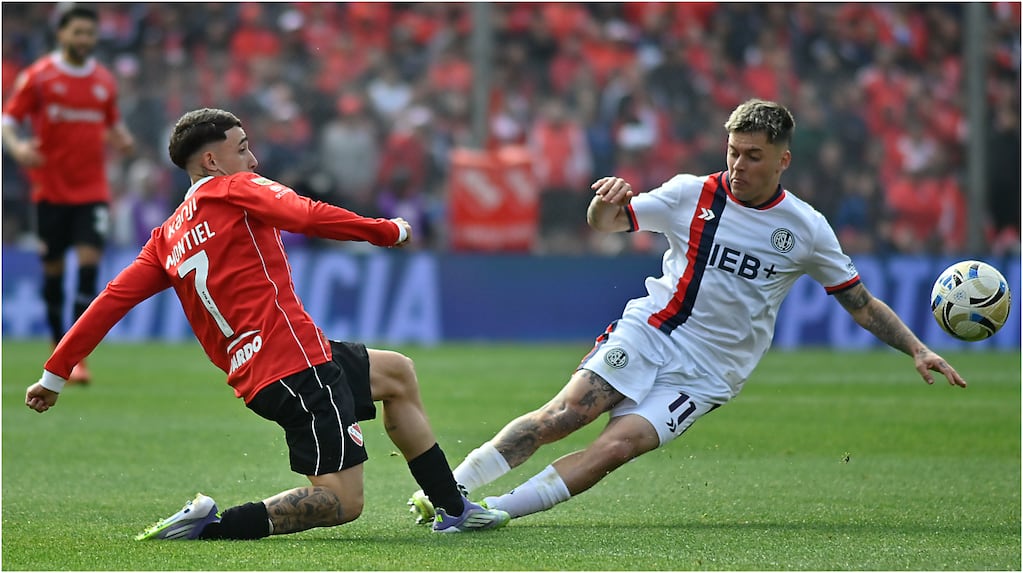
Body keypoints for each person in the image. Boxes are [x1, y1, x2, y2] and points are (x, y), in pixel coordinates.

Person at [407, 98, 966, 523]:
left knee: (616, 447)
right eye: (733, 152)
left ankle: (493, 512)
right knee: (563, 417)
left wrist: (917, 348)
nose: (739, 165)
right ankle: (446, 491)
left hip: (710, 374)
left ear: (783, 160)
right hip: (651, 330)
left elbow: (860, 302)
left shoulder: (807, 229)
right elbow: (610, 225)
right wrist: (604, 207)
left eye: (754, 156)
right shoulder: (691, 194)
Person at [24, 107, 510, 538]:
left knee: (397, 373)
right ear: (212, 161)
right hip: (297, 366)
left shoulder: (166, 237)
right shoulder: (233, 188)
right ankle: (213, 526)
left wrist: (54, 374)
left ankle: (453, 509)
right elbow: (307, 215)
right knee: (343, 501)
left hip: (269, 368)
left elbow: (110, 301)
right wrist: (386, 230)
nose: (253, 160)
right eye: (242, 148)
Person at [2, 6, 136, 384]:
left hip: (92, 190)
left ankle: (77, 358)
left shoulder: (103, 81)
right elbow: (8, 121)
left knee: (89, 267)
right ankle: (57, 345)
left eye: (90, 34)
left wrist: (122, 139)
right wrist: (17, 148)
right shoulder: (40, 77)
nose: (85, 40)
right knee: (54, 273)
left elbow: (113, 124)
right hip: (50, 190)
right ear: (61, 34)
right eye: (78, 33)